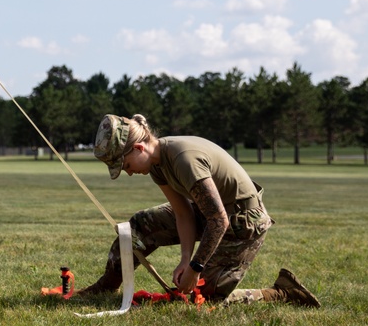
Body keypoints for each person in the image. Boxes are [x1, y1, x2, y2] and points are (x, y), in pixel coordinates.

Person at [77, 114, 321, 307]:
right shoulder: (156, 165)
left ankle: (282, 292)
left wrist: (195, 269)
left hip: (242, 222)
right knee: (140, 225)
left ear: (139, 148)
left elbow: (218, 220)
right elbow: (182, 212)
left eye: (126, 165)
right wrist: (185, 260)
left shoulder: (184, 159)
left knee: (203, 297)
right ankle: (105, 286)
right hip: (213, 214)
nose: (128, 172)